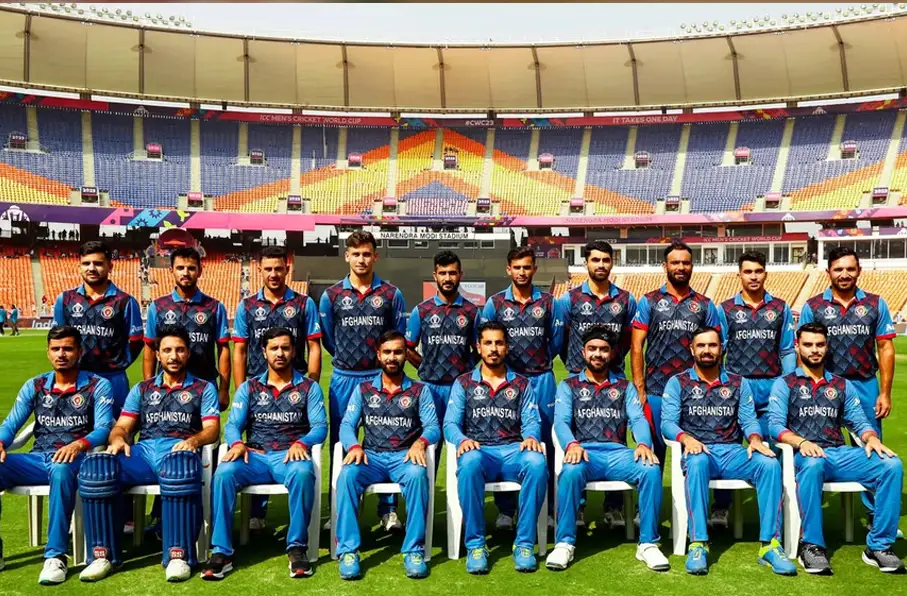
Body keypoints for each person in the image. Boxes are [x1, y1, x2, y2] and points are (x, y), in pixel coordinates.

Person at [77, 326, 220, 583]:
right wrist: (118, 438)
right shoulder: (142, 389)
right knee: (98, 468)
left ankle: (178, 555)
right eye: (167, 350)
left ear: (188, 353)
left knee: (180, 469)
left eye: (180, 350)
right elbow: (123, 425)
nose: (173, 356)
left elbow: (212, 429)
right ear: (157, 354)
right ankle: (102, 554)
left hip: (178, 449)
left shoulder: (203, 388)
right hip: (143, 451)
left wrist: (193, 441)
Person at [768, 322, 904, 575]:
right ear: (798, 347)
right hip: (803, 455)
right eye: (808, 345)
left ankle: (879, 546)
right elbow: (775, 426)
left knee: (891, 465)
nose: (814, 350)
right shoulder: (785, 383)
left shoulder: (841, 385)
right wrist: (802, 442)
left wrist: (871, 437)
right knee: (813, 464)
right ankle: (812, 545)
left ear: (827, 347)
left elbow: (859, 421)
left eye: (820, 345)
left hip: (838, 454)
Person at [660, 326, 795, 576]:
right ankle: (698, 543)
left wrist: (755, 438)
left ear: (721, 348)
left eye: (712, 345)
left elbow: (748, 419)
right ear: (692, 350)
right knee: (697, 462)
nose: (707, 350)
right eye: (701, 346)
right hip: (699, 451)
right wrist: (686, 439)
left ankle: (770, 544)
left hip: (732, 452)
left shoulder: (738, 382)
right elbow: (667, 423)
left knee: (769, 464)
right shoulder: (678, 382)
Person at [204, 328, 327, 581]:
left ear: (294, 351)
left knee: (303, 473)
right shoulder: (249, 387)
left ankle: (297, 547)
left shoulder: (309, 387)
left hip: (289, 456)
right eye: (274, 348)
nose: (280, 353)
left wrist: (302, 442)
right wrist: (236, 443)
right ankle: (221, 551)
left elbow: (320, 427)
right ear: (264, 352)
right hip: (255, 456)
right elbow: (233, 425)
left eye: (285, 348)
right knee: (224, 472)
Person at [545, 326, 669, 572]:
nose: (597, 354)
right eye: (592, 349)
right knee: (570, 471)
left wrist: (644, 443)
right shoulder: (568, 385)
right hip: (584, 453)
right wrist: (571, 444)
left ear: (611, 354)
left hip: (617, 454)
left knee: (650, 468)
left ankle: (648, 544)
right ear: (583, 352)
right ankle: (564, 543)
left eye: (603, 349)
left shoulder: (624, 386)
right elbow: (561, 422)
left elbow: (638, 419)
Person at [0, 326, 114, 584]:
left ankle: (56, 556)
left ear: (80, 352)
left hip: (77, 460)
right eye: (56, 349)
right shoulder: (36, 385)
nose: (61, 354)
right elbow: (11, 423)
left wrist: (79, 445)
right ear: (48, 352)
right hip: (38, 458)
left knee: (61, 470)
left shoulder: (98, 385)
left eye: (68, 349)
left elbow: (104, 428)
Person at [797, 246, 897, 526]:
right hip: (822, 388)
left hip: (864, 385)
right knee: (815, 447)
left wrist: (885, 392)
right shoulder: (813, 306)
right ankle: (807, 512)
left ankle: (875, 515)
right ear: (828, 271)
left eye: (850, 269)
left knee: (871, 447)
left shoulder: (875, 304)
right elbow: (802, 350)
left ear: (859, 271)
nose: (844, 274)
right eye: (838, 269)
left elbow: (885, 348)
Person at [444, 321, 547, 574]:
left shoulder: (521, 383)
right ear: (478, 347)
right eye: (488, 343)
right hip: (480, 451)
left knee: (537, 462)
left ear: (507, 347)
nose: (493, 349)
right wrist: (462, 440)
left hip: (512, 451)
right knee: (469, 463)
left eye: (499, 343)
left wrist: (531, 436)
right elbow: (450, 424)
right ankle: (476, 545)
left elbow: (532, 420)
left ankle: (524, 544)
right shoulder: (463, 383)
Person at [319, 231, 407, 531]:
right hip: (345, 378)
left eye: (367, 254)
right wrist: (347, 358)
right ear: (347, 256)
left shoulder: (391, 294)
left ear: (375, 257)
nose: (361, 259)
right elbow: (329, 339)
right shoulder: (332, 296)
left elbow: (396, 337)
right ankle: (341, 508)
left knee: (388, 439)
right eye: (356, 254)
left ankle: (388, 510)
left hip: (380, 378)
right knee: (342, 442)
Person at [335, 331, 439, 580]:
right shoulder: (363, 389)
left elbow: (433, 426)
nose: (393, 357)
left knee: (417, 475)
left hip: (404, 457)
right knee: (347, 475)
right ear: (378, 355)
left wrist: (421, 442)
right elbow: (347, 425)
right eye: (387, 352)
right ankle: (348, 550)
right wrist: (354, 446)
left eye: (398, 352)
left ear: (406, 355)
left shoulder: (419, 390)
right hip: (370, 456)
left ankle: (413, 550)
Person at [233, 246, 321, 530]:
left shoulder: (303, 303)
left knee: (293, 443)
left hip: (294, 386)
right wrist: (241, 390)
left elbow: (313, 346)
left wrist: (311, 384)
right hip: (257, 389)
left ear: (287, 270)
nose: (273, 274)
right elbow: (239, 350)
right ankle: (256, 513)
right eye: (268, 269)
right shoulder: (247, 306)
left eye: (278, 268)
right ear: (260, 270)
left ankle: (298, 520)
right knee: (257, 443)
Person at [480, 246, 564, 527]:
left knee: (546, 443)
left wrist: (539, 363)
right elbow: (487, 339)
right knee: (505, 439)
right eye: (517, 267)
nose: (522, 272)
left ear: (534, 269)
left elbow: (556, 341)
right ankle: (506, 510)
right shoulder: (495, 303)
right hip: (507, 381)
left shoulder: (549, 302)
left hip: (541, 380)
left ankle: (547, 509)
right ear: (508, 270)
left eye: (527, 267)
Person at [712, 251, 796, 527]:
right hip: (736, 389)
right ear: (739, 275)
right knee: (727, 445)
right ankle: (721, 507)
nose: (753, 276)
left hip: (771, 388)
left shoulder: (780, 308)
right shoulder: (725, 309)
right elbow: (718, 351)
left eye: (758, 271)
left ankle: (778, 509)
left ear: (765, 273)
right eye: (748, 271)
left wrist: (789, 387)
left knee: (775, 447)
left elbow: (787, 351)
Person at [557, 239, 636, 528]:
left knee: (616, 436)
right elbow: (561, 339)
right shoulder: (570, 299)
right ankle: (577, 507)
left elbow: (628, 338)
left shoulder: (626, 300)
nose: (600, 265)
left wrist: (613, 359)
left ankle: (613, 508)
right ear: (586, 263)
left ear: (612, 263)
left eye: (605, 260)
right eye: (595, 260)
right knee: (577, 435)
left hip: (614, 379)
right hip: (579, 379)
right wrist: (576, 365)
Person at [631, 241, 720, 470]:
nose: (680, 267)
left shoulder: (705, 305)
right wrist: (640, 388)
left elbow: (716, 347)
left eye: (685, 263)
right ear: (665, 266)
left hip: (694, 393)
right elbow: (637, 345)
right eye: (675, 263)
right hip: (656, 390)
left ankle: (697, 493)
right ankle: (652, 495)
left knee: (697, 451)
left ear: (692, 266)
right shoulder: (649, 301)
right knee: (653, 455)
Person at [405, 250, 478, 471]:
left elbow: (480, 348)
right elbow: (407, 347)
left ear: (460, 275)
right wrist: (425, 366)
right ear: (435, 275)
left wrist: (468, 368)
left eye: (452, 273)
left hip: (461, 389)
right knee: (428, 448)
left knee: (463, 446)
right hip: (429, 388)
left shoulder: (471, 311)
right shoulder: (422, 311)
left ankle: (462, 492)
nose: (448, 278)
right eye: (443, 273)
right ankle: (426, 491)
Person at [53, 241, 144, 415]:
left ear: (110, 266)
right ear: (79, 267)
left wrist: (119, 363)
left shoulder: (125, 301)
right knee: (75, 427)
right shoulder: (65, 300)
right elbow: (57, 340)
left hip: (113, 379)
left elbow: (136, 340)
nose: (91, 268)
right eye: (86, 263)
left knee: (116, 427)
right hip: (76, 377)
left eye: (98, 263)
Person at [144, 247, 231, 410]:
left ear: (200, 271)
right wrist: (148, 386)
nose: (185, 273)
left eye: (191, 268)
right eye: (180, 268)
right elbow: (149, 348)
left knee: (208, 426)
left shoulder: (214, 307)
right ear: (171, 270)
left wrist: (224, 389)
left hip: (205, 384)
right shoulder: (158, 307)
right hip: (167, 386)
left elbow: (223, 348)